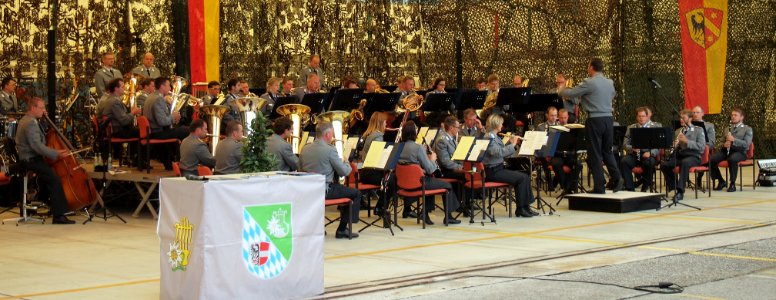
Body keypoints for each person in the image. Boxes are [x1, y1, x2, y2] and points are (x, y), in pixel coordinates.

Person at [557, 58, 623, 194]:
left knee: (595, 153)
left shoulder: (589, 82)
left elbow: (571, 93)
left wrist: (561, 89)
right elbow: (611, 95)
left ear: (592, 67)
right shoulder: (609, 82)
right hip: (608, 119)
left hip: (595, 120)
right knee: (607, 151)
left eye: (588, 66)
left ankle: (599, 186)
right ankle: (617, 178)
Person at [15, 98, 74, 224]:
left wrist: (43, 121)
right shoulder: (30, 123)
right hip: (30, 159)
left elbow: (39, 138)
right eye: (42, 108)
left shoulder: (28, 120)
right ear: (33, 108)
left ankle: (47, 202)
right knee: (54, 179)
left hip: (31, 158)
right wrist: (56, 153)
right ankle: (59, 215)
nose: (44, 110)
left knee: (47, 178)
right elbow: (37, 146)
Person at [299, 121, 360, 239]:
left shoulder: (305, 149)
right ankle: (342, 229)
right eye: (332, 134)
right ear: (327, 135)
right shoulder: (330, 150)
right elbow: (344, 172)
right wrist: (346, 162)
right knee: (355, 193)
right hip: (324, 189)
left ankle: (317, 228)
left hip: (308, 189)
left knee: (342, 190)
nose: (332, 137)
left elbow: (300, 169)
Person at [397, 121, 460, 225]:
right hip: (419, 183)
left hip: (403, 183)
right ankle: (448, 216)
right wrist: (432, 159)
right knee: (447, 185)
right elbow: (430, 169)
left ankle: (425, 213)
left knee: (431, 183)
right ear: (414, 133)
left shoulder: (398, 147)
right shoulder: (418, 147)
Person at [482, 114, 537, 217]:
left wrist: (511, 143)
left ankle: (525, 207)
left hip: (498, 168)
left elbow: (503, 151)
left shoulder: (495, 136)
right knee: (522, 178)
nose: (502, 125)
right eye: (501, 123)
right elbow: (498, 153)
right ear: (497, 124)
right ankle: (521, 208)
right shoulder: (488, 137)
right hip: (492, 171)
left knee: (524, 176)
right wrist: (513, 144)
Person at [142, 76, 188, 170]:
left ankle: (169, 163)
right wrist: (173, 117)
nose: (170, 88)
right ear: (162, 87)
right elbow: (162, 121)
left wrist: (172, 118)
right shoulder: (158, 99)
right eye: (168, 86)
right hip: (157, 132)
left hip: (153, 131)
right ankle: (185, 163)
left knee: (178, 130)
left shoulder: (151, 96)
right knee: (185, 130)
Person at [661, 109, 705, 201]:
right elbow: (673, 147)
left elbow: (701, 147)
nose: (681, 120)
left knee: (685, 163)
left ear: (690, 118)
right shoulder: (678, 131)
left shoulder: (698, 130)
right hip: (680, 155)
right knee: (664, 165)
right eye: (680, 118)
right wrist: (674, 145)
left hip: (693, 156)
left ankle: (680, 191)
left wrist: (687, 141)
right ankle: (674, 186)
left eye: (683, 118)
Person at [96, 78, 141, 164]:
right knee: (142, 131)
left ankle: (133, 158)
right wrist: (133, 113)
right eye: (123, 87)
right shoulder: (114, 101)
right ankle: (137, 159)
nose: (125, 89)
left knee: (137, 130)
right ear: (116, 88)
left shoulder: (110, 99)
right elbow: (124, 120)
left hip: (114, 129)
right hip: (117, 130)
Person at [710, 107, 753, 192]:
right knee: (711, 159)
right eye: (732, 115)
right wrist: (724, 144)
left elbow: (747, 144)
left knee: (732, 159)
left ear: (741, 117)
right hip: (726, 151)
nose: (733, 117)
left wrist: (734, 140)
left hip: (739, 152)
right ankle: (721, 181)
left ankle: (732, 183)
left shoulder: (747, 129)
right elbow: (720, 141)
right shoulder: (727, 129)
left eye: (735, 115)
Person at [620, 107, 661, 192]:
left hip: (648, 154)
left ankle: (645, 187)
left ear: (647, 116)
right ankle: (630, 189)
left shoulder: (655, 127)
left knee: (649, 163)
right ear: (636, 117)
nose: (641, 118)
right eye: (639, 116)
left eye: (643, 116)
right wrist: (632, 148)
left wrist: (651, 153)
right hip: (635, 154)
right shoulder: (631, 127)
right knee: (624, 161)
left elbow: (659, 145)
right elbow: (624, 144)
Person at [433, 116, 467, 213]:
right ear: (451, 128)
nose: (458, 129)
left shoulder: (451, 139)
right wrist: (460, 168)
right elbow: (445, 162)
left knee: (470, 173)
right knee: (466, 175)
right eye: (457, 127)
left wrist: (463, 166)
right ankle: (463, 204)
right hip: (444, 171)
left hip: (452, 169)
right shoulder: (442, 140)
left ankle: (463, 203)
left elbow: (457, 157)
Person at [358, 112, 390, 215]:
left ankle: (380, 207)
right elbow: (377, 159)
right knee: (392, 180)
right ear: (380, 123)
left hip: (364, 172)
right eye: (385, 122)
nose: (386, 124)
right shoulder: (378, 137)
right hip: (371, 173)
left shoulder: (368, 134)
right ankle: (380, 208)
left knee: (389, 179)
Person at [691, 105, 716, 186]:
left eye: (697, 112)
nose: (695, 114)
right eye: (693, 112)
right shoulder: (688, 125)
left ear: (702, 114)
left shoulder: (709, 126)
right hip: (690, 148)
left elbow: (711, 142)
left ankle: (699, 177)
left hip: (703, 149)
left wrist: (701, 146)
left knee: (703, 152)